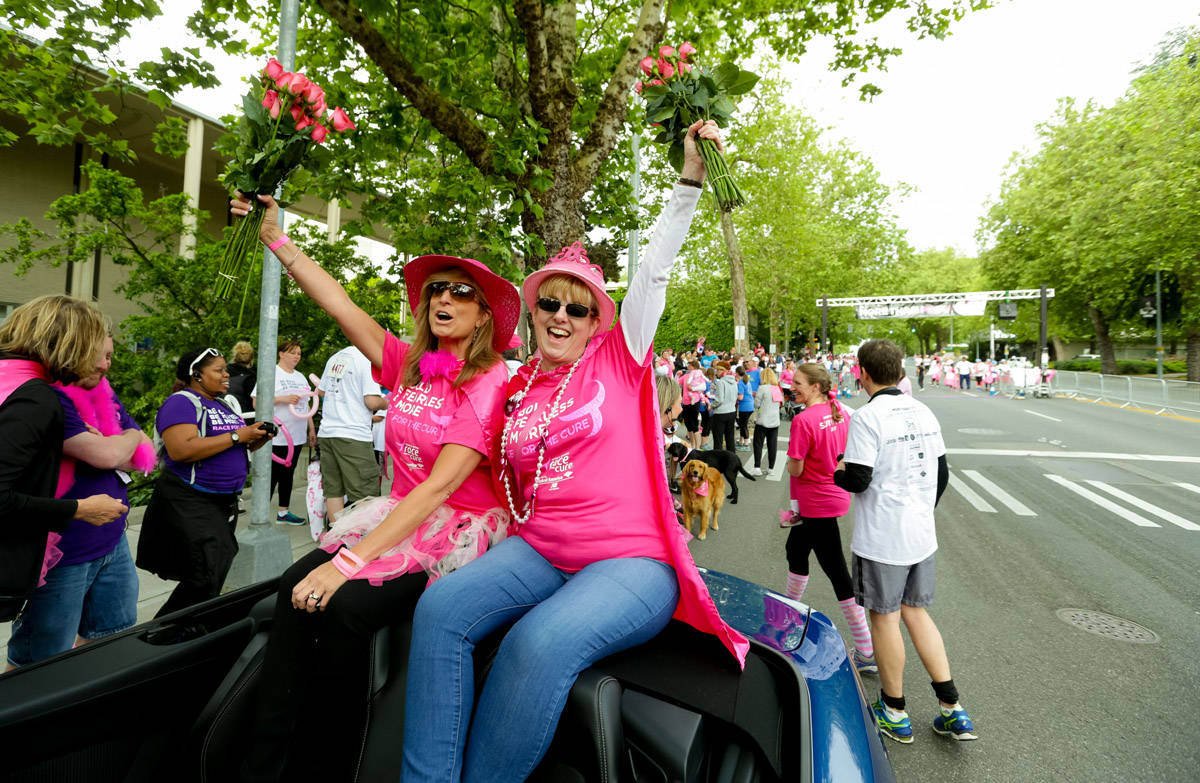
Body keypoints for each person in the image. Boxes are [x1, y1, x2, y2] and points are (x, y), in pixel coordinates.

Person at [400, 120, 748, 783]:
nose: (562, 315)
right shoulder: (519, 385)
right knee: (440, 609)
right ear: (531, 314)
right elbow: (447, 419)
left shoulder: (621, 359)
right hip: (539, 550)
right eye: (550, 303)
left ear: (597, 322)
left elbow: (657, 270)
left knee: (538, 643)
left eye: (578, 309)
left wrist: (690, 179)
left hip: (631, 564)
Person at [230, 191, 520, 782]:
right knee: (291, 585)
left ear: (484, 315)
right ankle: (265, 765)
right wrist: (279, 240)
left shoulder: (489, 380)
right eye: (437, 288)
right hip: (396, 512)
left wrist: (346, 565)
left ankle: (328, 766)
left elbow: (439, 490)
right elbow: (340, 304)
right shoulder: (410, 363)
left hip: (458, 528)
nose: (444, 297)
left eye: (461, 291)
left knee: (344, 610)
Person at [832, 339, 975, 744]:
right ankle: (952, 708)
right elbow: (942, 473)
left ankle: (894, 710)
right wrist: (921, 509)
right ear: (901, 372)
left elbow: (857, 479)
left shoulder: (867, 417)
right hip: (921, 533)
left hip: (883, 537)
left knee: (885, 618)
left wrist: (837, 471)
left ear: (862, 373)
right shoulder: (924, 410)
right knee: (917, 614)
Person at [7, 334, 156, 670]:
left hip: (112, 540)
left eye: (111, 356)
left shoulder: (102, 389)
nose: (106, 365)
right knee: (40, 659)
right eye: (100, 355)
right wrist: (126, 438)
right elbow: (110, 454)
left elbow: (145, 456)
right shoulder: (47, 397)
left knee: (110, 636)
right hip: (62, 553)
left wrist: (118, 446)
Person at [0, 295, 127, 625]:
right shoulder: (34, 398)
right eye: (94, 347)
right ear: (74, 345)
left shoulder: (10, 377)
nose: (100, 360)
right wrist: (80, 509)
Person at [137, 348, 273, 617]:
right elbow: (182, 450)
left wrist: (254, 439)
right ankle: (167, 632)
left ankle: (188, 627)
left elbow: (224, 445)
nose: (226, 375)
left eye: (226, 369)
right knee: (207, 568)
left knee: (212, 568)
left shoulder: (221, 403)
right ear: (196, 375)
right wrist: (237, 436)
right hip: (190, 497)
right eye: (219, 370)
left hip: (221, 500)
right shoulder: (181, 402)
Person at [782, 363, 875, 675]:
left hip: (815, 501)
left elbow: (795, 468)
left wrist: (796, 462)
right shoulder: (841, 411)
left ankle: (866, 650)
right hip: (831, 495)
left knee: (836, 569)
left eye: (797, 383)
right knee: (795, 551)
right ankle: (786, 617)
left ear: (816, 387)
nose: (791, 386)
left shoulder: (803, 419)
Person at [317, 343, 388, 520]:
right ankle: (362, 542)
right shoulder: (367, 359)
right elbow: (371, 401)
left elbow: (321, 391)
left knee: (333, 490)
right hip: (353, 434)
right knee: (365, 494)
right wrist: (388, 403)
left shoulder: (336, 357)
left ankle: (336, 540)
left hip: (327, 432)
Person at [251, 339, 317, 525]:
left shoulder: (300, 377)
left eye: (299, 353)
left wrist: (311, 428)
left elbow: (306, 404)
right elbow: (257, 402)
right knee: (271, 476)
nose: (297, 356)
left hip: (296, 436)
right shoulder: (271, 373)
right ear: (281, 353)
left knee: (288, 474)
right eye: (293, 352)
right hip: (276, 436)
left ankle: (283, 512)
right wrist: (282, 399)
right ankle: (260, 516)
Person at [750, 367, 782, 476]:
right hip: (774, 420)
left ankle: (757, 467)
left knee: (758, 444)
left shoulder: (762, 388)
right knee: (772, 445)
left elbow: (756, 404)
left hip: (762, 419)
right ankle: (771, 468)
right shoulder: (777, 388)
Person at [710, 361, 737, 452]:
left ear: (722, 370)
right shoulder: (734, 381)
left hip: (721, 413)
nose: (716, 372)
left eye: (717, 370)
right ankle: (732, 459)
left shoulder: (721, 382)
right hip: (732, 411)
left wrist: (712, 405)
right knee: (730, 438)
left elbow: (719, 399)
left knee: (718, 440)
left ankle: (718, 461)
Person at [679, 359, 706, 450]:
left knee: (694, 425)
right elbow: (677, 383)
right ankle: (692, 444)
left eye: (689, 365)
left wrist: (693, 388)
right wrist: (677, 375)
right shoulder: (686, 375)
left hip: (695, 402)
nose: (687, 367)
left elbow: (703, 387)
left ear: (694, 366)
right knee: (688, 424)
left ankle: (697, 447)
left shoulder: (699, 375)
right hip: (685, 402)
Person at [225, 340, 255, 414]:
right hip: (244, 418)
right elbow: (255, 403)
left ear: (234, 356)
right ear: (251, 358)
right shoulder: (250, 377)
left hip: (222, 414)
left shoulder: (222, 371)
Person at [734, 365, 754, 451]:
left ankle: (746, 444)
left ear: (737, 373)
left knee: (743, 425)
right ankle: (741, 441)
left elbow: (740, 397)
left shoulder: (741, 383)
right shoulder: (746, 381)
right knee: (743, 424)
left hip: (744, 406)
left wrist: (734, 395)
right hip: (750, 405)